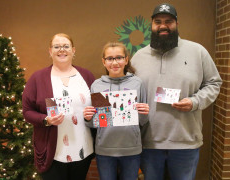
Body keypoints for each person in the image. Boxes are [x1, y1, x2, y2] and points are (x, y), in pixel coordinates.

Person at [131, 3, 222, 180]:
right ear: (152, 25)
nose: (163, 26)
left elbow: (214, 83)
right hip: (148, 141)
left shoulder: (198, 51)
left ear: (177, 24)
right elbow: (128, 90)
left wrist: (195, 102)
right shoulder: (138, 57)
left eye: (168, 21)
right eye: (158, 21)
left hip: (186, 141)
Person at [22, 33, 95, 180]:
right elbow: (27, 111)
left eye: (66, 46)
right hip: (52, 151)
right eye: (57, 47)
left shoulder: (86, 76)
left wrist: (91, 115)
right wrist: (46, 120)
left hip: (82, 148)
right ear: (50, 51)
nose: (62, 50)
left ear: (73, 50)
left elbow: (99, 108)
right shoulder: (38, 78)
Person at [83, 42, 149, 180]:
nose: (114, 62)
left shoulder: (137, 83)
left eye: (119, 57)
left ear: (126, 60)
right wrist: (88, 118)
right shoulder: (97, 85)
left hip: (131, 148)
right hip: (104, 149)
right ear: (104, 61)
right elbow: (95, 123)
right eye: (110, 58)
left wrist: (144, 113)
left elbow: (143, 121)